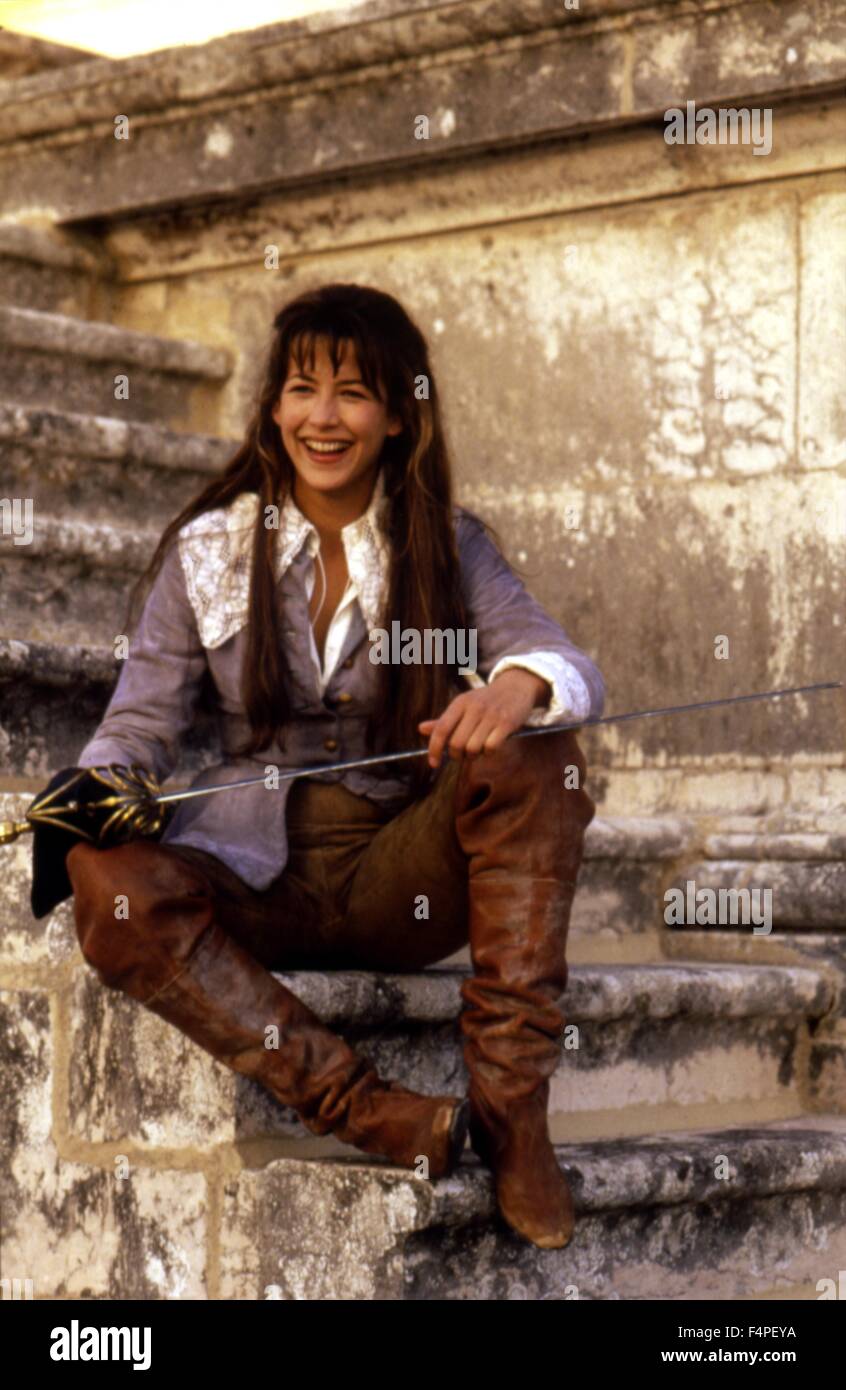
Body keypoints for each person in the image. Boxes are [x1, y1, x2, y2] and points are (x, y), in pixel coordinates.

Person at [31, 283, 604, 1251]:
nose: (322, 417)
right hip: (264, 875)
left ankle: (512, 1116)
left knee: (542, 753)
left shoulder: (448, 543)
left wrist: (513, 688)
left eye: (352, 392)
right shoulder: (209, 552)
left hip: (401, 875)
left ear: (395, 415)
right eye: (301, 389)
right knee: (106, 883)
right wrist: (91, 798)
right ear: (274, 408)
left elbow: (560, 658)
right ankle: (374, 1111)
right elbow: (134, 731)